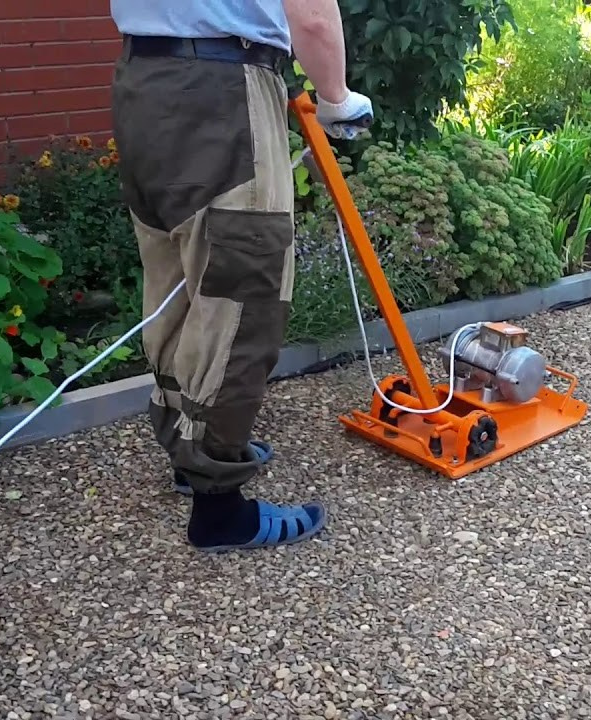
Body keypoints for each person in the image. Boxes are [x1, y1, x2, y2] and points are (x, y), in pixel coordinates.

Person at [107, 0, 373, 552]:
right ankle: (219, 508)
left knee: (177, 285)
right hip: (223, 94)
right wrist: (337, 99)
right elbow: (312, 15)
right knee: (242, 300)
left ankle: (190, 454)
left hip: (143, 82)